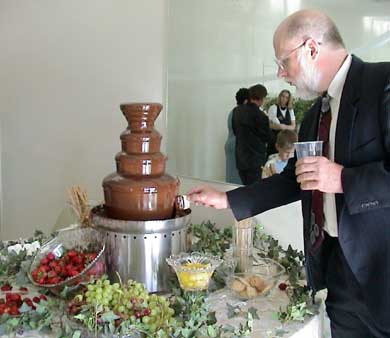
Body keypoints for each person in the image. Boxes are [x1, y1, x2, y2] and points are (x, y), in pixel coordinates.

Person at [187, 9, 390, 338]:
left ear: (311, 48)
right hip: (339, 278)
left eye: (283, 61)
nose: (281, 74)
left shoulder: (382, 83)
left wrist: (342, 179)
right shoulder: (313, 115)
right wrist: (226, 199)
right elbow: (292, 181)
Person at [232, 84, 271, 185]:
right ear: (262, 98)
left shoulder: (237, 111)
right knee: (254, 191)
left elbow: (235, 131)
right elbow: (267, 137)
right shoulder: (261, 116)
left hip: (241, 158)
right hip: (255, 160)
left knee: (245, 187)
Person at [224, 88, 249, 184]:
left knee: (230, 175)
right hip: (239, 147)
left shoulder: (232, 111)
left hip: (230, 144)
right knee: (238, 180)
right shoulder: (244, 113)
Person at [267, 89, 296, 155]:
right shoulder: (273, 108)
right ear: (280, 97)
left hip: (287, 141)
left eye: (286, 97)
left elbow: (293, 126)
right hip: (275, 140)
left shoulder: (290, 110)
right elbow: (269, 125)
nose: (284, 99)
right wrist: (281, 126)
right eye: (283, 96)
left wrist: (282, 126)